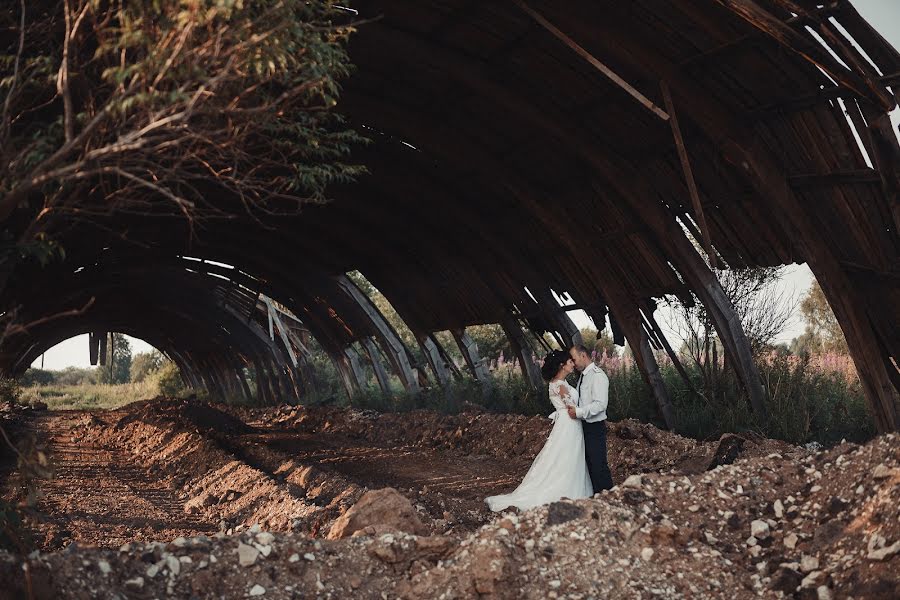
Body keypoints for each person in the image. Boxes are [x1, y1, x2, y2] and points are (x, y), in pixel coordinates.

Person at [485, 349, 593, 512]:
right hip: (569, 424)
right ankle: (566, 491)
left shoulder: (558, 384)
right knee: (567, 457)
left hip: (567, 423)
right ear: (562, 366)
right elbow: (572, 409)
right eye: (570, 362)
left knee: (564, 457)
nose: (573, 364)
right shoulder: (561, 386)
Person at [567, 344, 614, 493]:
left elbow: (600, 405)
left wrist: (579, 412)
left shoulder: (597, 375)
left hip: (594, 427)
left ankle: (609, 497)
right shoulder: (584, 376)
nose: (573, 363)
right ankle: (596, 498)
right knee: (589, 464)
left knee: (598, 464)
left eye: (574, 359)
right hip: (584, 426)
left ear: (583, 356)